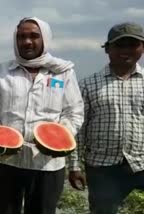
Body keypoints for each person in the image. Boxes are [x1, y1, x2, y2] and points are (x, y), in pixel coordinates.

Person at [0, 17, 84, 214]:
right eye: (21, 36)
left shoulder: (63, 73)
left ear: (45, 39)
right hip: (2, 162)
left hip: (47, 165)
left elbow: (74, 112)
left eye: (34, 36)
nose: (27, 41)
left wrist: (58, 138)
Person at [68, 22, 144, 214]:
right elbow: (79, 130)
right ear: (107, 49)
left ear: (142, 48)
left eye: (132, 44)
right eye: (119, 45)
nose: (125, 50)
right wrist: (74, 166)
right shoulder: (87, 85)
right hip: (103, 167)